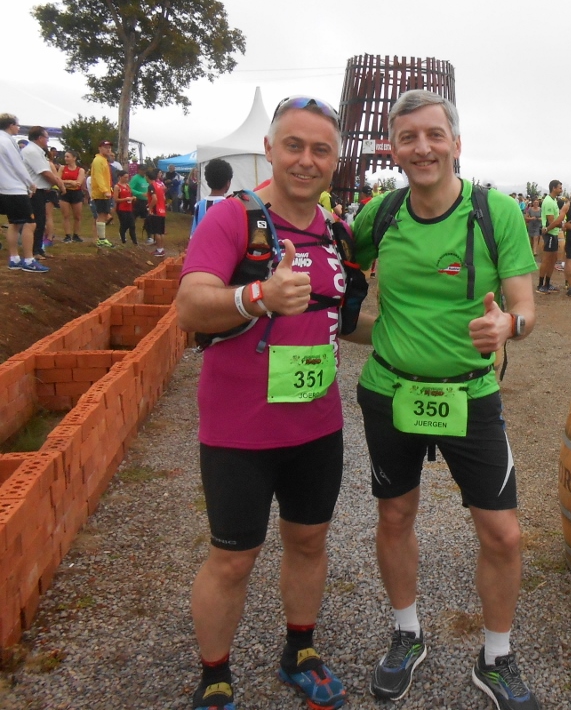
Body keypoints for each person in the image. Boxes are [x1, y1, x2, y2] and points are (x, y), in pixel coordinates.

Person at [351, 89, 541, 709]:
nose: (422, 148)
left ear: (457, 143)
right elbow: (337, 268)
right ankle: (406, 635)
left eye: (435, 135)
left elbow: (526, 309)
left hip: (470, 394)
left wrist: (507, 325)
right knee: (394, 516)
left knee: (503, 534)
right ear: (393, 149)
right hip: (390, 391)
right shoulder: (378, 215)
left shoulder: (495, 212)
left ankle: (497, 656)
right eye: (408, 137)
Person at [177, 95, 367, 710]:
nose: (306, 160)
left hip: (317, 424)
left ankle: (300, 651)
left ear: (334, 161)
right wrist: (258, 295)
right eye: (294, 146)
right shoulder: (233, 219)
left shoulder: (336, 232)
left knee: (309, 543)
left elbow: (345, 321)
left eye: (320, 150)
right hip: (240, 431)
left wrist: (439, 332)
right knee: (233, 560)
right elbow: (190, 306)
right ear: (269, 149)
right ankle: (214, 678)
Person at [0, 113, 48, 272]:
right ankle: (28, 259)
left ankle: (14, 258)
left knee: (14, 223)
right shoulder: (7, 141)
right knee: (30, 223)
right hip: (15, 188)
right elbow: (18, 165)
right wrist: (30, 183)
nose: (18, 128)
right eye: (17, 125)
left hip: (4, 188)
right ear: (10, 125)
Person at [21, 126, 66, 259]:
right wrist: (59, 184)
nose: (47, 140)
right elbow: (45, 172)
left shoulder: (38, 151)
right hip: (34, 191)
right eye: (46, 137)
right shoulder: (32, 151)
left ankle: (39, 249)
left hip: (41, 190)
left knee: (41, 221)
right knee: (36, 221)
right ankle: (34, 251)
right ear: (40, 138)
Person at [191, 158, 233, 237]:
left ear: (207, 181)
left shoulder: (198, 206)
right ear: (228, 183)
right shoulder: (230, 207)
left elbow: (193, 236)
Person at [90, 140, 116, 248]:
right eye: (105, 147)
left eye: (109, 147)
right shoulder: (98, 160)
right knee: (101, 215)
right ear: (100, 148)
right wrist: (104, 190)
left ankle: (102, 238)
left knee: (104, 215)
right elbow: (98, 176)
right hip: (100, 193)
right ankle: (101, 239)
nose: (108, 149)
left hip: (106, 192)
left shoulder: (104, 160)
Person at [537, 180, 562, 292]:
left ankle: (547, 284)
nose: (561, 190)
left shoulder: (553, 200)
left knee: (553, 259)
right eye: (559, 188)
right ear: (553, 188)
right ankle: (540, 285)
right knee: (547, 260)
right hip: (549, 234)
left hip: (554, 233)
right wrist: (564, 225)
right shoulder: (548, 202)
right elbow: (551, 221)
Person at [145, 168, 167, 257]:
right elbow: (164, 198)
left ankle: (159, 249)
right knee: (161, 232)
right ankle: (161, 248)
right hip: (162, 210)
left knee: (157, 232)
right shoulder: (159, 185)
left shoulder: (151, 186)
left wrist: (150, 208)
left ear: (147, 177)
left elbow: (154, 199)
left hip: (156, 211)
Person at [114, 170, 138, 245]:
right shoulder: (117, 186)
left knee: (132, 225)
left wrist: (133, 198)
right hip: (121, 208)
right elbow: (116, 199)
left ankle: (135, 241)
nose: (127, 179)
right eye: (125, 177)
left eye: (127, 177)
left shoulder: (128, 185)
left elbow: (130, 195)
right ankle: (123, 239)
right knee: (124, 224)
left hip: (129, 207)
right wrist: (125, 199)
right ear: (120, 177)